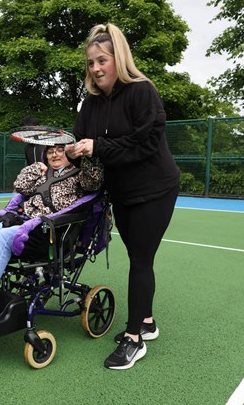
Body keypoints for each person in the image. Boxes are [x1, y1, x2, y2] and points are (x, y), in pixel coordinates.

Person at [66, 23, 180, 370]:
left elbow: (145, 144)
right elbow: (82, 138)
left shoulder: (142, 91)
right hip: (122, 192)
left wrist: (97, 146)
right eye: (90, 63)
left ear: (119, 58)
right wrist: (72, 149)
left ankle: (134, 339)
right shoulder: (91, 102)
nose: (96, 68)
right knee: (138, 256)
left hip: (155, 189)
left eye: (103, 60)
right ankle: (146, 322)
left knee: (141, 260)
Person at [0, 145, 103, 319]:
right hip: (25, 222)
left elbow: (95, 181)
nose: (54, 154)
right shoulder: (43, 173)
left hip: (49, 232)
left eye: (59, 150)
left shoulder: (79, 175)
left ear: (70, 154)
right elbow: (20, 186)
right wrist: (36, 168)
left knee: (4, 236)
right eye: (50, 152)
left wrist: (86, 157)